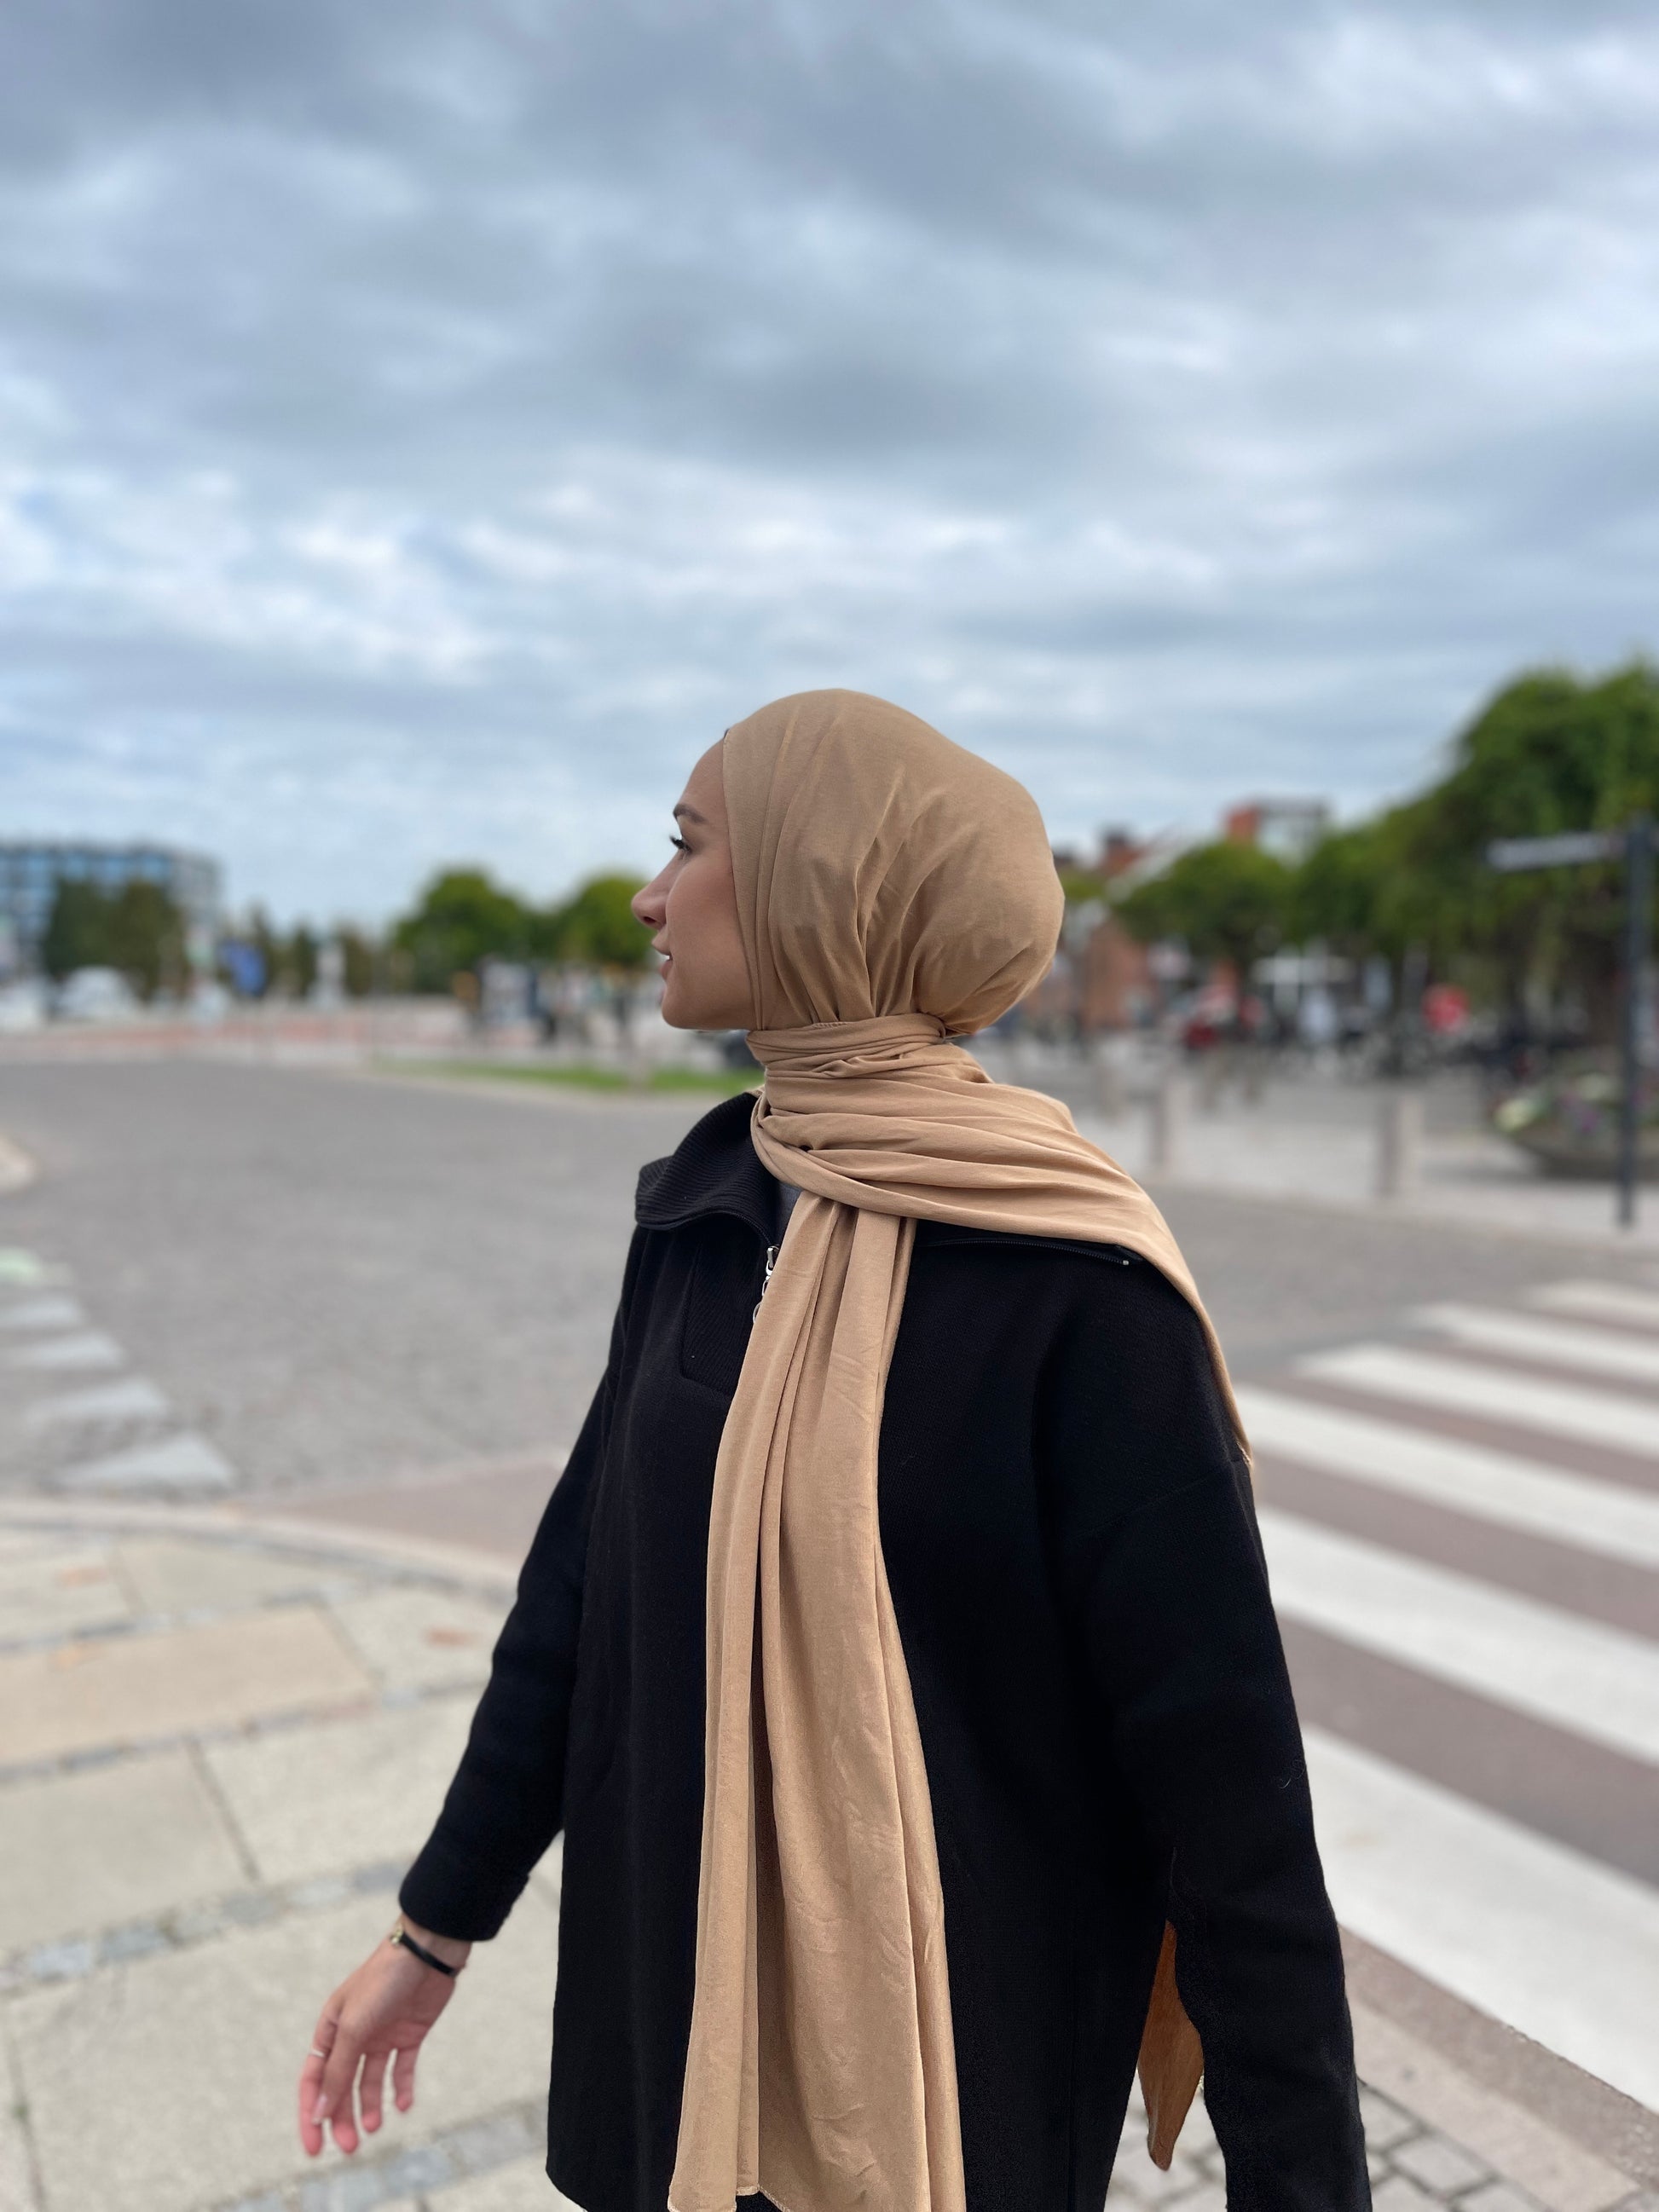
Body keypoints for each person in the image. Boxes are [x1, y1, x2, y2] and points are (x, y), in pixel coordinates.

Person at [298, 691, 1368, 2212]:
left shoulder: (1074, 1283)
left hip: (954, 2091)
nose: (648, 895)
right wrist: (435, 1928)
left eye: (687, 845)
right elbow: (579, 1600)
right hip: (674, 2040)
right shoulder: (707, 1209)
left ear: (819, 884)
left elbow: (1226, 1793)